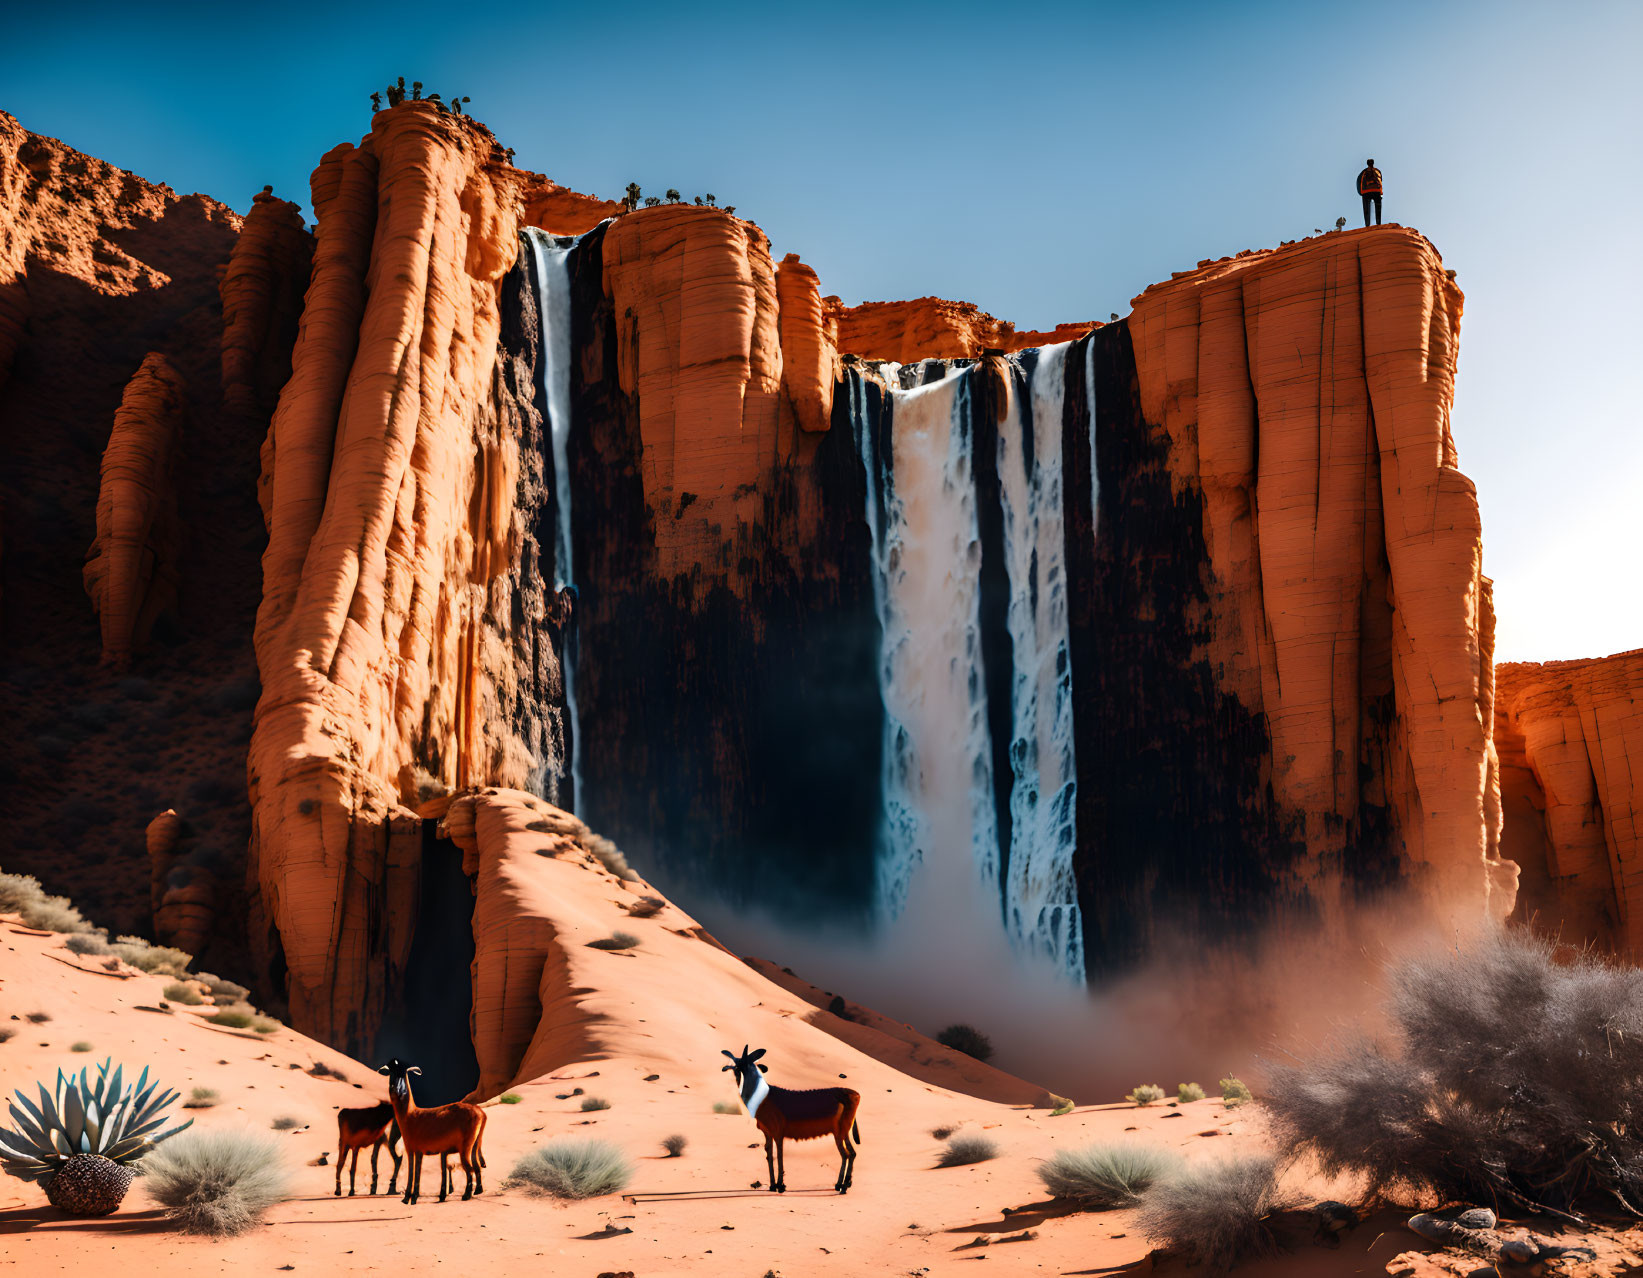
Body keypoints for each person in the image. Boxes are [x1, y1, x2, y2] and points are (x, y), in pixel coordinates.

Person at [1357, 159, 1383, 227]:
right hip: (1376, 191)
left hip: (1366, 192)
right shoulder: (1377, 171)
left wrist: (1361, 193)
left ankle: (1367, 224)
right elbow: (1381, 180)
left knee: (1366, 209)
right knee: (1378, 207)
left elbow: (1359, 182)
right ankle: (1378, 223)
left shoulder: (1363, 172)